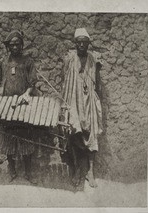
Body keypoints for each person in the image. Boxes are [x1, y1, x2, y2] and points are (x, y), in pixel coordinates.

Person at [0, 30, 38, 184]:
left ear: (22, 45)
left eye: (17, 44)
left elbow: (32, 82)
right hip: (7, 105)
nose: (15, 47)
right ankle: (12, 170)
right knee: (8, 138)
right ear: (8, 47)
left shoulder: (28, 61)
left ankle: (28, 172)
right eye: (12, 45)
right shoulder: (3, 62)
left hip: (23, 104)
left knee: (26, 138)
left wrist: (27, 94)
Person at [60, 28, 103, 187]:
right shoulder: (70, 60)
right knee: (74, 134)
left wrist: (96, 102)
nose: (81, 45)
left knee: (92, 135)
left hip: (89, 101)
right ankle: (78, 170)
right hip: (75, 101)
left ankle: (90, 171)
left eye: (84, 42)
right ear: (75, 44)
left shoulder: (93, 60)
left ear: (88, 44)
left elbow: (97, 84)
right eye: (79, 42)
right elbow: (64, 81)